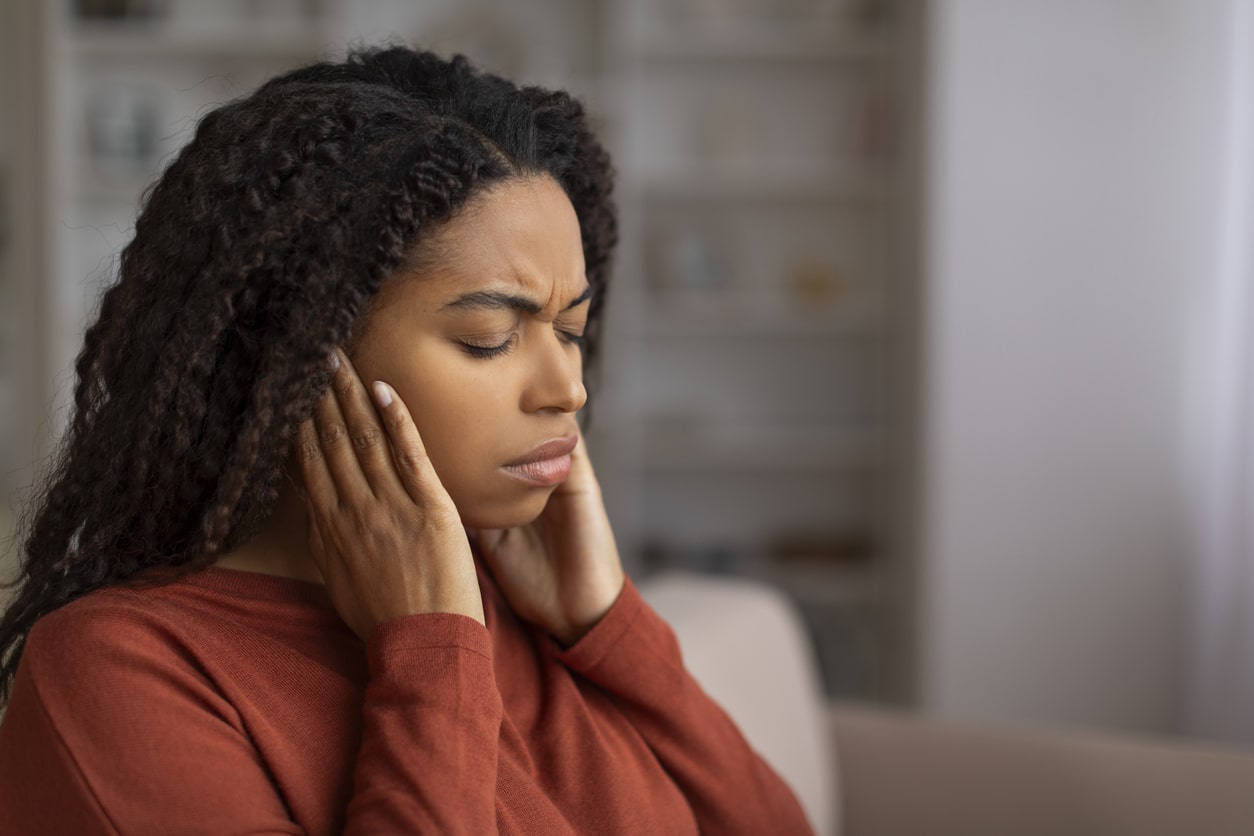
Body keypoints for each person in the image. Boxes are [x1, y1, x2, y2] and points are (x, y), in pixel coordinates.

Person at [0, 47, 814, 834]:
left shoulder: (529, 604)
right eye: (491, 337)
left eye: (570, 330)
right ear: (298, 356)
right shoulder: (121, 670)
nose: (570, 388)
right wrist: (429, 656)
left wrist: (606, 623)